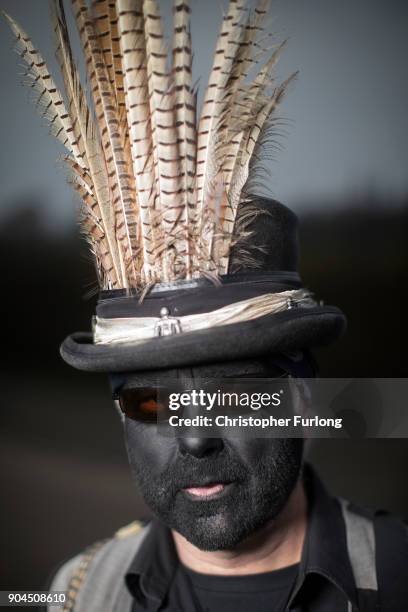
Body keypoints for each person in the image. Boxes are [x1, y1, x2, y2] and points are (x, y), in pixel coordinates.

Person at [5, 0, 407, 610]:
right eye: (147, 402)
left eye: (237, 394)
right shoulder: (77, 592)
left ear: (303, 400)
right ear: (120, 418)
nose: (195, 439)